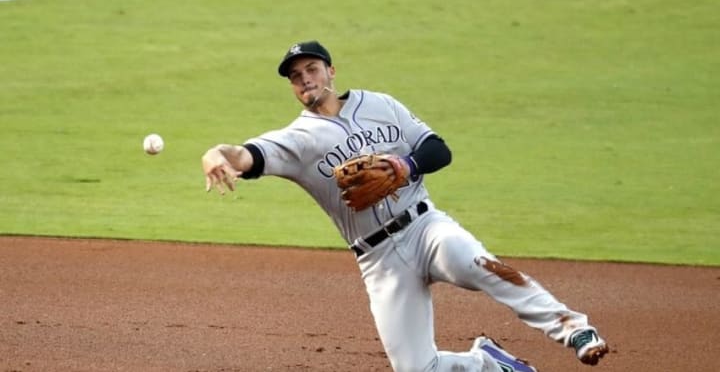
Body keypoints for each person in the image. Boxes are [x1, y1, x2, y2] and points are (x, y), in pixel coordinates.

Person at [201, 40, 609, 372]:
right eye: (295, 77)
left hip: (425, 228)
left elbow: (438, 150)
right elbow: (245, 155)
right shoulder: (298, 140)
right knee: (417, 369)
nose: (304, 80)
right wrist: (215, 154)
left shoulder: (380, 105)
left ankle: (574, 328)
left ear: (331, 70)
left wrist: (405, 165)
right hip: (378, 260)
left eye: (311, 69)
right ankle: (488, 364)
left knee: (476, 264)